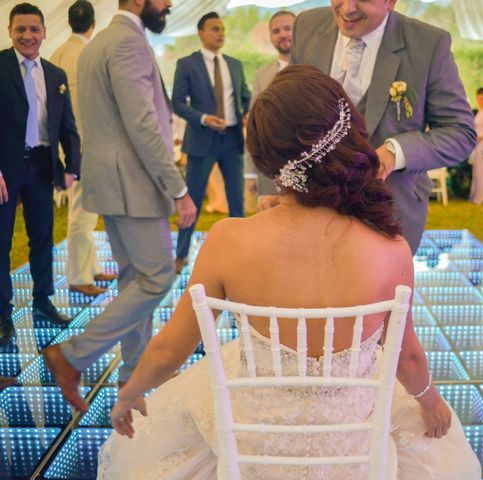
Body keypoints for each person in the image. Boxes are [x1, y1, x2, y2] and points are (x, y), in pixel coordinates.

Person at [97, 65, 481, 480]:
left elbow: (171, 350)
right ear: (347, 135)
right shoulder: (390, 249)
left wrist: (129, 396)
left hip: (252, 449)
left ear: (266, 159)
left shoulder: (229, 240)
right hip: (353, 451)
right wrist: (430, 402)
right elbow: (406, 358)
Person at [42, 0, 197, 412]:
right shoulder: (127, 43)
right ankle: (72, 355)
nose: (168, 4)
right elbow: (142, 123)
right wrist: (178, 188)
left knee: (135, 280)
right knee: (157, 277)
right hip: (134, 183)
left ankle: (135, 371)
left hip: (112, 182)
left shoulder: (98, 43)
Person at [258, 0, 476, 255]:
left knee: (380, 295)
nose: (347, 9)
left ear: (391, 2)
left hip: (389, 211)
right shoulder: (306, 26)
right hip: (309, 209)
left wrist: (395, 153)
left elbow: (460, 132)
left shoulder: (428, 44)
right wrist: (274, 188)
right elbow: (285, 114)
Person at [0, 3, 81, 346]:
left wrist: (72, 166)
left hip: (42, 166)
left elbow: (67, 125)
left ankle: (42, 303)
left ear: (45, 32)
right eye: (21, 29)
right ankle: (3, 316)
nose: (28, 36)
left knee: (43, 239)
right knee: (1, 242)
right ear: (10, 31)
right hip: (5, 169)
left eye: (34, 29)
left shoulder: (55, 75)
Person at [172, 11, 251, 274]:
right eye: (215, 29)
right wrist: (204, 118)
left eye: (222, 29)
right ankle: (180, 255)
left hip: (231, 140)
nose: (221, 33)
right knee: (192, 200)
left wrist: (246, 114)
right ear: (201, 33)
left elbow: (245, 96)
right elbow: (178, 103)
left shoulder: (235, 64)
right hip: (201, 140)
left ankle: (240, 254)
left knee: (236, 201)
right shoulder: (187, 64)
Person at [50, 0, 116, 297]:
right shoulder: (91, 53)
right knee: (83, 212)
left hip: (66, 143)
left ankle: (89, 268)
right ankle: (78, 276)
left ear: (69, 22)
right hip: (87, 143)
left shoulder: (56, 53)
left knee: (86, 211)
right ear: (92, 24)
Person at [249, 10, 295, 196]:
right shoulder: (261, 76)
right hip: (273, 168)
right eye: (276, 31)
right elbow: (255, 127)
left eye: (288, 28)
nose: (282, 34)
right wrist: (250, 173)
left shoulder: (318, 67)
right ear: (271, 37)